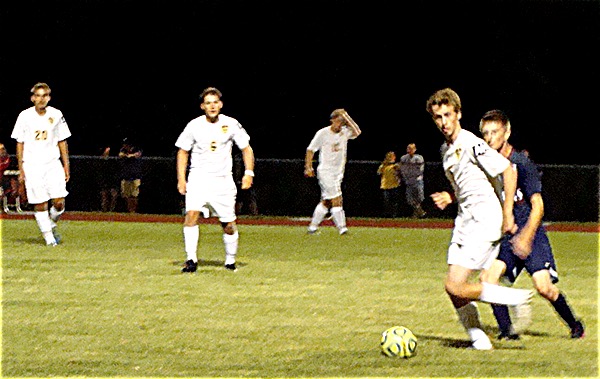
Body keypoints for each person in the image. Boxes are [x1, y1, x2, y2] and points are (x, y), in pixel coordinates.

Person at [426, 88, 532, 350]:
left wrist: (508, 213)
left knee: (455, 285)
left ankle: (514, 298)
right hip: (465, 222)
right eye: (438, 117)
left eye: (448, 115)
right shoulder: (446, 150)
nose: (444, 122)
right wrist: (451, 197)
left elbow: (508, 170)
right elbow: (469, 184)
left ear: (458, 114)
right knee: (454, 289)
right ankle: (479, 341)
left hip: (483, 221)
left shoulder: (471, 143)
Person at [478, 109, 585, 340]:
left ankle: (575, 324)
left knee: (544, 288)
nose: (489, 138)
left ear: (506, 133)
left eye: (494, 132)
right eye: (485, 133)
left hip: (531, 234)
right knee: (487, 279)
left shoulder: (521, 163)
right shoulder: (487, 164)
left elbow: (538, 205)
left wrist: (526, 237)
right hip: (509, 236)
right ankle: (508, 332)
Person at [175, 86, 255, 273]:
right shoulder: (194, 125)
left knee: (227, 224)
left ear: (221, 105)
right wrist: (181, 179)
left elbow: (246, 148)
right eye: (208, 103)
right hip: (198, 179)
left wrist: (248, 173)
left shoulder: (231, 124)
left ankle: (230, 261)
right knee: (191, 216)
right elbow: (183, 151)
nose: (212, 106)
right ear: (203, 106)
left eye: (215, 102)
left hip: (223, 181)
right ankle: (191, 260)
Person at [10, 82, 71, 246]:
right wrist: (21, 168)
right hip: (32, 165)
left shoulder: (57, 114)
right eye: (38, 95)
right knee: (41, 203)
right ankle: (49, 239)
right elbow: (20, 143)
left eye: (44, 95)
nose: (41, 99)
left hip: (52, 163)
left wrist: (66, 165)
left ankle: (50, 224)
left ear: (49, 98)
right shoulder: (24, 116)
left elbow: (62, 141)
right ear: (32, 98)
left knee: (59, 202)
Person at [304, 108, 361, 235]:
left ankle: (312, 227)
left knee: (327, 202)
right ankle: (342, 228)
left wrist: (347, 116)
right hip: (325, 171)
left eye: (342, 121)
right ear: (332, 121)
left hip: (338, 172)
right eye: (338, 120)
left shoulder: (345, 132)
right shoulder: (323, 133)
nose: (340, 123)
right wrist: (308, 167)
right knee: (337, 199)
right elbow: (310, 150)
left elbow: (357, 132)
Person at [399, 143, 426, 218]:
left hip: (417, 180)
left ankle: (417, 212)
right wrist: (405, 177)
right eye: (408, 148)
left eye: (411, 148)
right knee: (410, 199)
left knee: (420, 197)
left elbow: (420, 169)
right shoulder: (404, 158)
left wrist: (413, 175)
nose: (409, 150)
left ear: (415, 149)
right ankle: (419, 211)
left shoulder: (418, 158)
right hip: (408, 181)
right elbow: (402, 169)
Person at [118, 139, 143, 213]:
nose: (124, 146)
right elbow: (120, 155)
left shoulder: (136, 149)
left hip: (135, 176)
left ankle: (133, 210)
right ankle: (129, 210)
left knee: (134, 195)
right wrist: (127, 156)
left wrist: (131, 156)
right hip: (126, 176)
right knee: (126, 195)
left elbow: (137, 154)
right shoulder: (123, 150)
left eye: (126, 144)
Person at [376, 151, 401, 218]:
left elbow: (399, 174)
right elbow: (379, 173)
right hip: (385, 186)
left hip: (394, 185)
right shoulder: (383, 166)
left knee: (394, 201)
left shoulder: (395, 166)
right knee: (386, 201)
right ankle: (387, 214)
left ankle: (394, 214)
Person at [99, 146, 119, 212]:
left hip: (114, 176)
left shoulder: (115, 158)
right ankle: (104, 209)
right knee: (104, 194)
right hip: (105, 176)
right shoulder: (103, 160)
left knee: (114, 194)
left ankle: (111, 210)